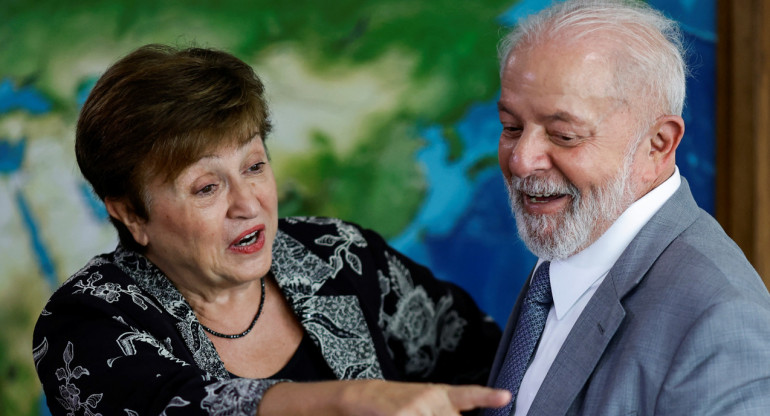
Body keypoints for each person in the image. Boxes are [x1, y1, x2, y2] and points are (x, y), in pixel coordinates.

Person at [31, 44, 511, 415]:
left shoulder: (341, 255)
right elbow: (179, 406)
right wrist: (348, 401)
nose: (248, 204)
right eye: (206, 188)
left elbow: (485, 362)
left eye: (255, 165)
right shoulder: (84, 322)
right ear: (130, 213)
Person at [485, 0, 770, 415]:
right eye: (511, 127)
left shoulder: (723, 325)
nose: (520, 160)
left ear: (658, 144)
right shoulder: (574, 244)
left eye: (564, 135)